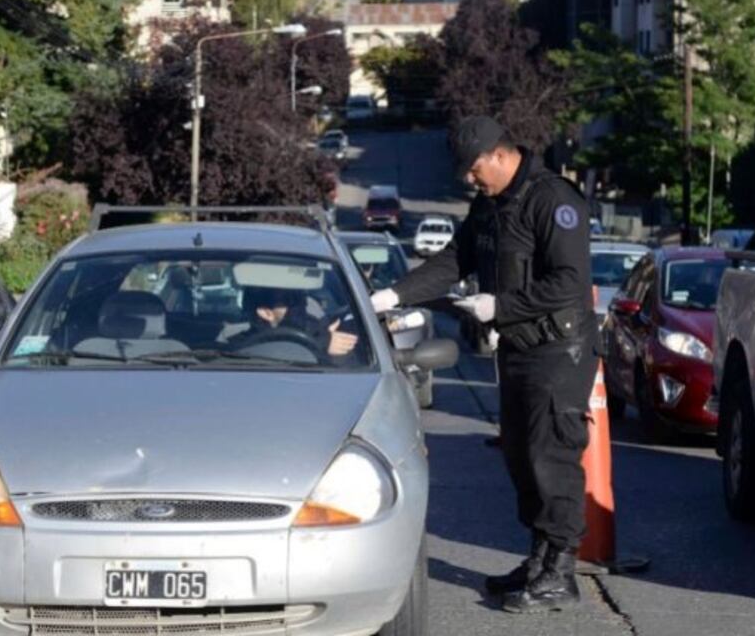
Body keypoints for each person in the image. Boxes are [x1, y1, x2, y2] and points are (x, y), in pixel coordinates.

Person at [371, 116, 599, 612]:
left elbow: (570, 283)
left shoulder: (553, 200)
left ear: (500, 154)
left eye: (474, 170)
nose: (469, 180)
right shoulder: (492, 204)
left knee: (550, 457)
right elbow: (456, 260)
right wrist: (393, 294)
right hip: (519, 349)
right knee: (520, 455)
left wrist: (500, 306)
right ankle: (538, 559)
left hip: (560, 351)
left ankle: (560, 570)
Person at [230, 286, 359, 359]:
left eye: (300, 297)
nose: (301, 305)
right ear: (266, 313)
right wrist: (321, 346)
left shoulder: (319, 329)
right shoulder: (237, 344)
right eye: (290, 300)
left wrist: (326, 338)